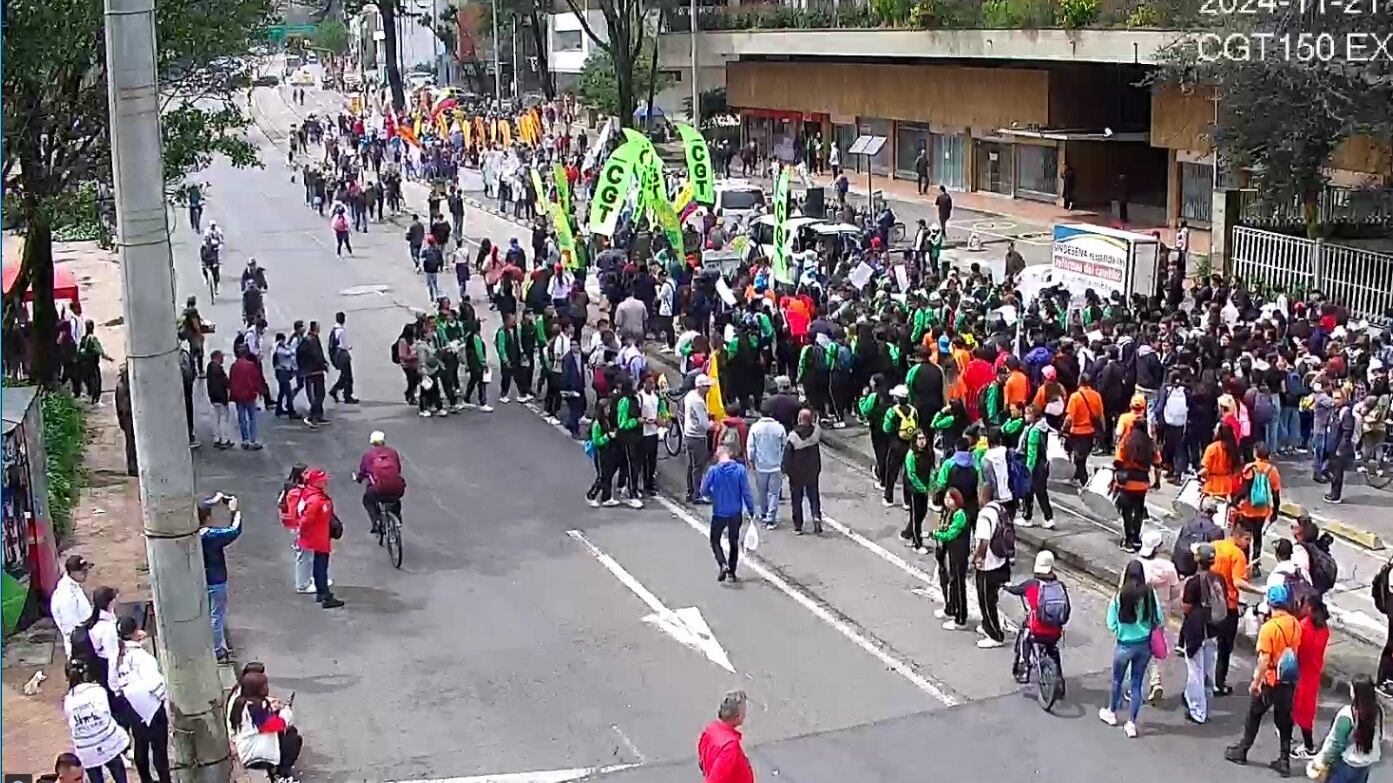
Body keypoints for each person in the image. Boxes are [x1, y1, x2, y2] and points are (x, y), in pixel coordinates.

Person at [1225, 583, 1302, 776]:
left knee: (1254, 715)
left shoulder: (1269, 628)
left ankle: (1242, 750)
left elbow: (1265, 660)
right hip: (1288, 680)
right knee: (1284, 720)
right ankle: (1284, 760)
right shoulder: (1295, 624)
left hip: (1270, 680)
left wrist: (1255, 682)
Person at [1100, 558, 1162, 738]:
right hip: (1144, 646)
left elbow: (1111, 623)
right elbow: (1158, 618)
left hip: (1124, 645)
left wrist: (1120, 631)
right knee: (1137, 683)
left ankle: (1112, 712)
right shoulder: (1150, 593)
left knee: (1117, 680)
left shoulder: (1119, 596)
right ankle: (1131, 723)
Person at [110, 616, 171, 783]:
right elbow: (156, 683)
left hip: (132, 708)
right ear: (136, 632)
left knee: (140, 744)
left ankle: (146, 779)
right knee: (159, 750)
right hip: (151, 707)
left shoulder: (116, 655)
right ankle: (165, 780)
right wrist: (162, 698)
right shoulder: (142, 657)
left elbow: (113, 683)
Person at [1004, 550, 1067, 686]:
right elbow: (1066, 612)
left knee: (1026, 638)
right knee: (1053, 649)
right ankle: (1059, 680)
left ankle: (1025, 669)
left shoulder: (1031, 584)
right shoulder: (1060, 587)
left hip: (1037, 631)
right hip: (1055, 632)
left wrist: (1005, 586)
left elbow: (1015, 590)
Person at [228, 670, 303, 783]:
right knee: (293, 740)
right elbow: (270, 725)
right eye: (264, 686)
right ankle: (282, 775)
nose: (267, 688)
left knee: (290, 732)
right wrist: (285, 713)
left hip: (248, 749)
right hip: (257, 755)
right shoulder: (254, 707)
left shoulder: (241, 702)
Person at [1180, 542, 1225, 724]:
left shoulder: (1193, 582)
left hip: (1197, 632)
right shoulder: (1219, 579)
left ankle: (1198, 711)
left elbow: (1186, 607)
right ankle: (1203, 702)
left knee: (1195, 672)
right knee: (1207, 670)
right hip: (1214, 630)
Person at [63, 659, 129, 783]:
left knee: (95, 778)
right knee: (119, 774)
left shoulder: (68, 701)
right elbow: (107, 713)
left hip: (86, 750)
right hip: (108, 742)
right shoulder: (98, 691)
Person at [1309, 675, 1383, 783]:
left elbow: (1336, 745)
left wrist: (1324, 762)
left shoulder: (1347, 715)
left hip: (1346, 763)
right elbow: (1380, 735)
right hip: (1366, 763)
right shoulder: (1378, 711)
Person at [1214, 523, 1261, 696]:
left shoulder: (1216, 546)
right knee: (1225, 647)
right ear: (1238, 536)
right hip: (1228, 604)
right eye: (1247, 539)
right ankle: (1219, 682)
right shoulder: (1238, 554)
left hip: (1210, 601)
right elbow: (1237, 582)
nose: (1248, 543)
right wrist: (1258, 590)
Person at [1138, 529, 1181, 702]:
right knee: (1157, 644)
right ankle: (1156, 681)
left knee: (1138, 646)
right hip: (1161, 611)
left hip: (1140, 612)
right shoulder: (1169, 568)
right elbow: (1176, 592)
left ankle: (1137, 684)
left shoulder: (1137, 565)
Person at [700, 447, 756, 583]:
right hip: (735, 512)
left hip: (719, 511)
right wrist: (751, 509)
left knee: (715, 540)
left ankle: (722, 564)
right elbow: (746, 491)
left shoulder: (713, 471)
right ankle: (732, 572)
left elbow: (703, 490)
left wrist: (712, 496)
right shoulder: (740, 470)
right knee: (733, 542)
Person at [198, 492, 242, 662]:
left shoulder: (189, 530)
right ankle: (217, 650)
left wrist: (213, 501)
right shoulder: (210, 536)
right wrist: (234, 512)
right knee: (217, 615)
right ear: (207, 518)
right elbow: (234, 531)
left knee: (207, 612)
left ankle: (212, 643)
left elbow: (197, 508)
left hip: (199, 576)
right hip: (215, 579)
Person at [971, 487, 1011, 649]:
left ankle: (995, 634)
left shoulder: (984, 515)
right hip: (1002, 559)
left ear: (983, 496)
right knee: (991, 597)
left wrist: (978, 557)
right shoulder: (1000, 509)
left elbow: (984, 541)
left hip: (989, 563)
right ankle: (986, 623)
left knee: (986, 600)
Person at [1292, 596, 1331, 761]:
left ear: (1309, 607)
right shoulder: (1324, 629)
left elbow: (1294, 648)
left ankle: (1309, 747)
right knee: (1305, 711)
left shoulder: (1303, 627)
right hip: (1313, 674)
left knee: (1301, 712)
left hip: (1302, 674)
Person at [298, 469, 343, 609]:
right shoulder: (316, 500)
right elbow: (306, 520)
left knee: (319, 565)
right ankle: (324, 595)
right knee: (320, 566)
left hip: (319, 536)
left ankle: (321, 592)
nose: (325, 482)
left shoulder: (312, 495)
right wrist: (303, 532)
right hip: (318, 537)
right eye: (322, 480)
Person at [1235, 444, 1283, 573]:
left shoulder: (1250, 468)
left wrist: (1235, 503)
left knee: (1245, 537)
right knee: (1257, 538)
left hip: (1247, 509)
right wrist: (1275, 512)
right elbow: (1276, 493)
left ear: (1256, 453)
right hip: (1262, 511)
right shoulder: (1272, 471)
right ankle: (1255, 566)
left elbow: (1243, 489)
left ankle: (1243, 565)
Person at [1113, 422, 1160, 552]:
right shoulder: (1150, 444)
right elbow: (1157, 463)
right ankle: (1137, 539)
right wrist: (1157, 481)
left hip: (1127, 482)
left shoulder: (1126, 440)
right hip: (1142, 483)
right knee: (1138, 511)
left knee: (1126, 512)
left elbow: (1118, 461)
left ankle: (1129, 540)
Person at [932, 487, 974, 632]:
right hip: (952, 552)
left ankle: (961, 618)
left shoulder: (960, 515)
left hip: (959, 554)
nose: (946, 501)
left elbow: (951, 534)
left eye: (950, 498)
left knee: (958, 584)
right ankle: (950, 608)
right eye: (946, 498)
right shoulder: (950, 513)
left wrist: (936, 534)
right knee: (951, 581)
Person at [697, 690, 755, 783]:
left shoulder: (710, 729)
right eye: (743, 712)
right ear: (737, 716)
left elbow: (702, 756)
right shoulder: (730, 747)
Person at [356, 431, 405, 536]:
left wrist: (359, 479)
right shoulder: (392, 452)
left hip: (378, 489)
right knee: (395, 499)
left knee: (367, 500)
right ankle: (397, 519)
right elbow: (398, 469)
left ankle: (376, 521)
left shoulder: (368, 456)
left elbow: (363, 472)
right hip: (396, 487)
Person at [747, 404, 788, 530]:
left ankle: (763, 512)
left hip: (760, 465)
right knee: (774, 493)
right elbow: (784, 445)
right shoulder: (779, 428)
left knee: (762, 491)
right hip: (776, 465)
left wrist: (751, 461)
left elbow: (751, 447)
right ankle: (771, 518)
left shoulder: (755, 428)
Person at [784, 408, 823, 535]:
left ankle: (798, 526)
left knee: (797, 499)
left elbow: (788, 457)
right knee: (814, 496)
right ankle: (816, 515)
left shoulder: (793, 436)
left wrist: (786, 471)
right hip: (812, 470)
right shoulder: (815, 433)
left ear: (799, 419)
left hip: (797, 473)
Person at [51, 554, 94, 658]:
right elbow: (71, 630)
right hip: (79, 648)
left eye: (87, 570)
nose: (86, 574)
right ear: (73, 572)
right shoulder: (66, 596)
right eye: (83, 571)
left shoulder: (74, 585)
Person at [684, 374, 715, 503]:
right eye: (707, 387)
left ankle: (690, 491)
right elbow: (704, 424)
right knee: (698, 466)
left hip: (689, 434)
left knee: (691, 465)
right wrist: (712, 425)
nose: (708, 389)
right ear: (700, 387)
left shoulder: (690, 396)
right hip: (697, 436)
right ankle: (697, 494)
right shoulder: (698, 401)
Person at [1323, 387, 1356, 504]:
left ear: (1344, 399)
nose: (1335, 400)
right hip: (1331, 446)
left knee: (1337, 472)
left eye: (1338, 398)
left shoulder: (1345, 412)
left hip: (1339, 447)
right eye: (1333, 398)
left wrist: (1341, 448)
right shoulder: (1334, 410)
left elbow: (1347, 432)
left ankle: (1335, 495)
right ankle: (1333, 492)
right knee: (1328, 469)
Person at [228, 349, 266, 450]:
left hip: (238, 395)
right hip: (249, 394)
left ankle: (245, 439)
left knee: (242, 418)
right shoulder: (251, 366)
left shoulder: (234, 366)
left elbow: (231, 380)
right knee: (252, 417)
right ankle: (253, 440)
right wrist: (259, 391)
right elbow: (256, 380)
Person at [327, 311, 357, 405]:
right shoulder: (341, 331)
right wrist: (349, 347)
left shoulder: (334, 330)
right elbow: (343, 345)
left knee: (344, 375)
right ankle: (347, 396)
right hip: (343, 355)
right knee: (348, 376)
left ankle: (334, 390)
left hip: (337, 355)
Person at [206, 350, 234, 449]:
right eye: (221, 357)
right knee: (223, 418)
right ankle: (224, 440)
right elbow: (225, 382)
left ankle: (217, 438)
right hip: (221, 397)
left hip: (213, 396)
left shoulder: (210, 368)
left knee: (216, 418)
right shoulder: (218, 369)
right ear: (217, 357)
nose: (223, 359)